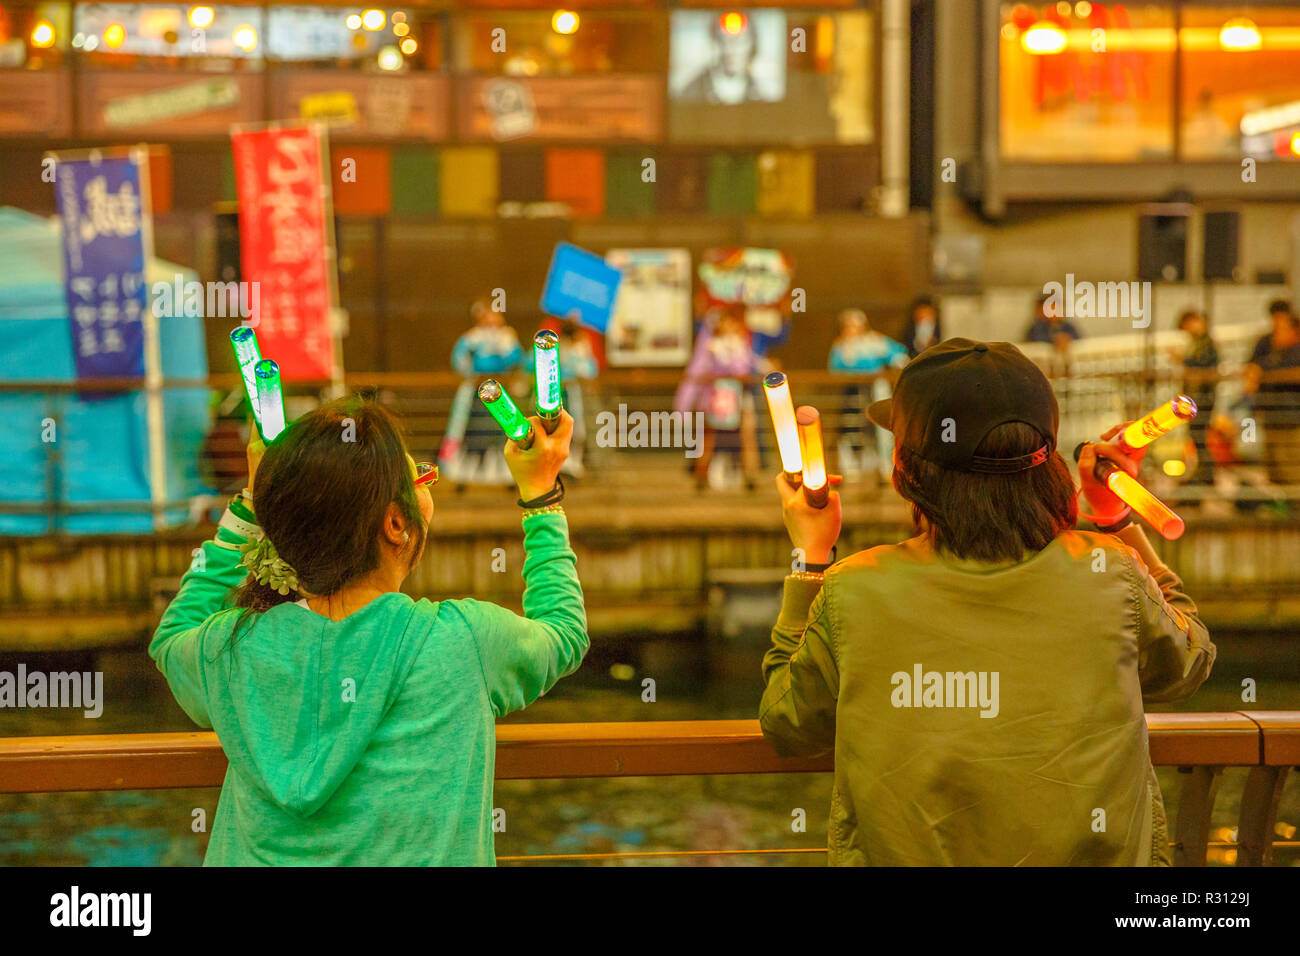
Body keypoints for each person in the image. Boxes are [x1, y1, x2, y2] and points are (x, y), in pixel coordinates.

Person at [760, 339, 1215, 866]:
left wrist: (810, 558)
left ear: (905, 471)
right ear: (1047, 460)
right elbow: (1190, 660)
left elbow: (788, 723)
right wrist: (1115, 519)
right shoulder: (1110, 573)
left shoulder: (854, 590)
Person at [150, 397, 588, 865]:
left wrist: (254, 501)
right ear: (396, 524)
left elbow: (173, 636)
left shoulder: (231, 648)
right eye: (420, 477)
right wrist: (541, 495)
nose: (427, 485)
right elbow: (563, 632)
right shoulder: (466, 642)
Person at [674, 307, 763, 491]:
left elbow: (750, 365)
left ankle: (751, 475)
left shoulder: (742, 346)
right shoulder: (711, 347)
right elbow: (698, 372)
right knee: (708, 437)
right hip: (717, 397)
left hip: (739, 395)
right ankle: (701, 474)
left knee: (747, 435)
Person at [440, 297, 524, 488]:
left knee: (503, 433)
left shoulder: (507, 338)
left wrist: (506, 352)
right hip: (478, 394)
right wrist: (470, 363)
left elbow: (517, 359)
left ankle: (505, 476)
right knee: (475, 435)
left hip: (501, 393)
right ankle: (465, 476)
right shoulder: (472, 338)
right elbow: (459, 361)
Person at [828, 309, 908, 479]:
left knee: (879, 427)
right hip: (851, 391)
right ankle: (853, 467)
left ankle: (885, 464)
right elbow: (835, 367)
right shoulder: (841, 346)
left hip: (874, 388)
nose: (851, 330)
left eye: (855, 326)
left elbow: (899, 354)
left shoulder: (874, 341)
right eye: (848, 326)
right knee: (851, 427)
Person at [1244, 299, 1300, 491]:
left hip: (1293, 416)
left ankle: (1294, 507)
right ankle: (1280, 506)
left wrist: (1265, 370)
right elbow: (1251, 365)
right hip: (1270, 411)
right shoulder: (1265, 342)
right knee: (1273, 463)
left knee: (1292, 463)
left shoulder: (1296, 342)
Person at [1168, 309, 1219, 487]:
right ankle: (1204, 471)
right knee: (1196, 435)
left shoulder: (1206, 343)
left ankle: (1207, 472)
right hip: (1199, 396)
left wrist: (1182, 359)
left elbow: (1203, 364)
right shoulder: (1200, 342)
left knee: (1198, 435)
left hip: (1202, 396)